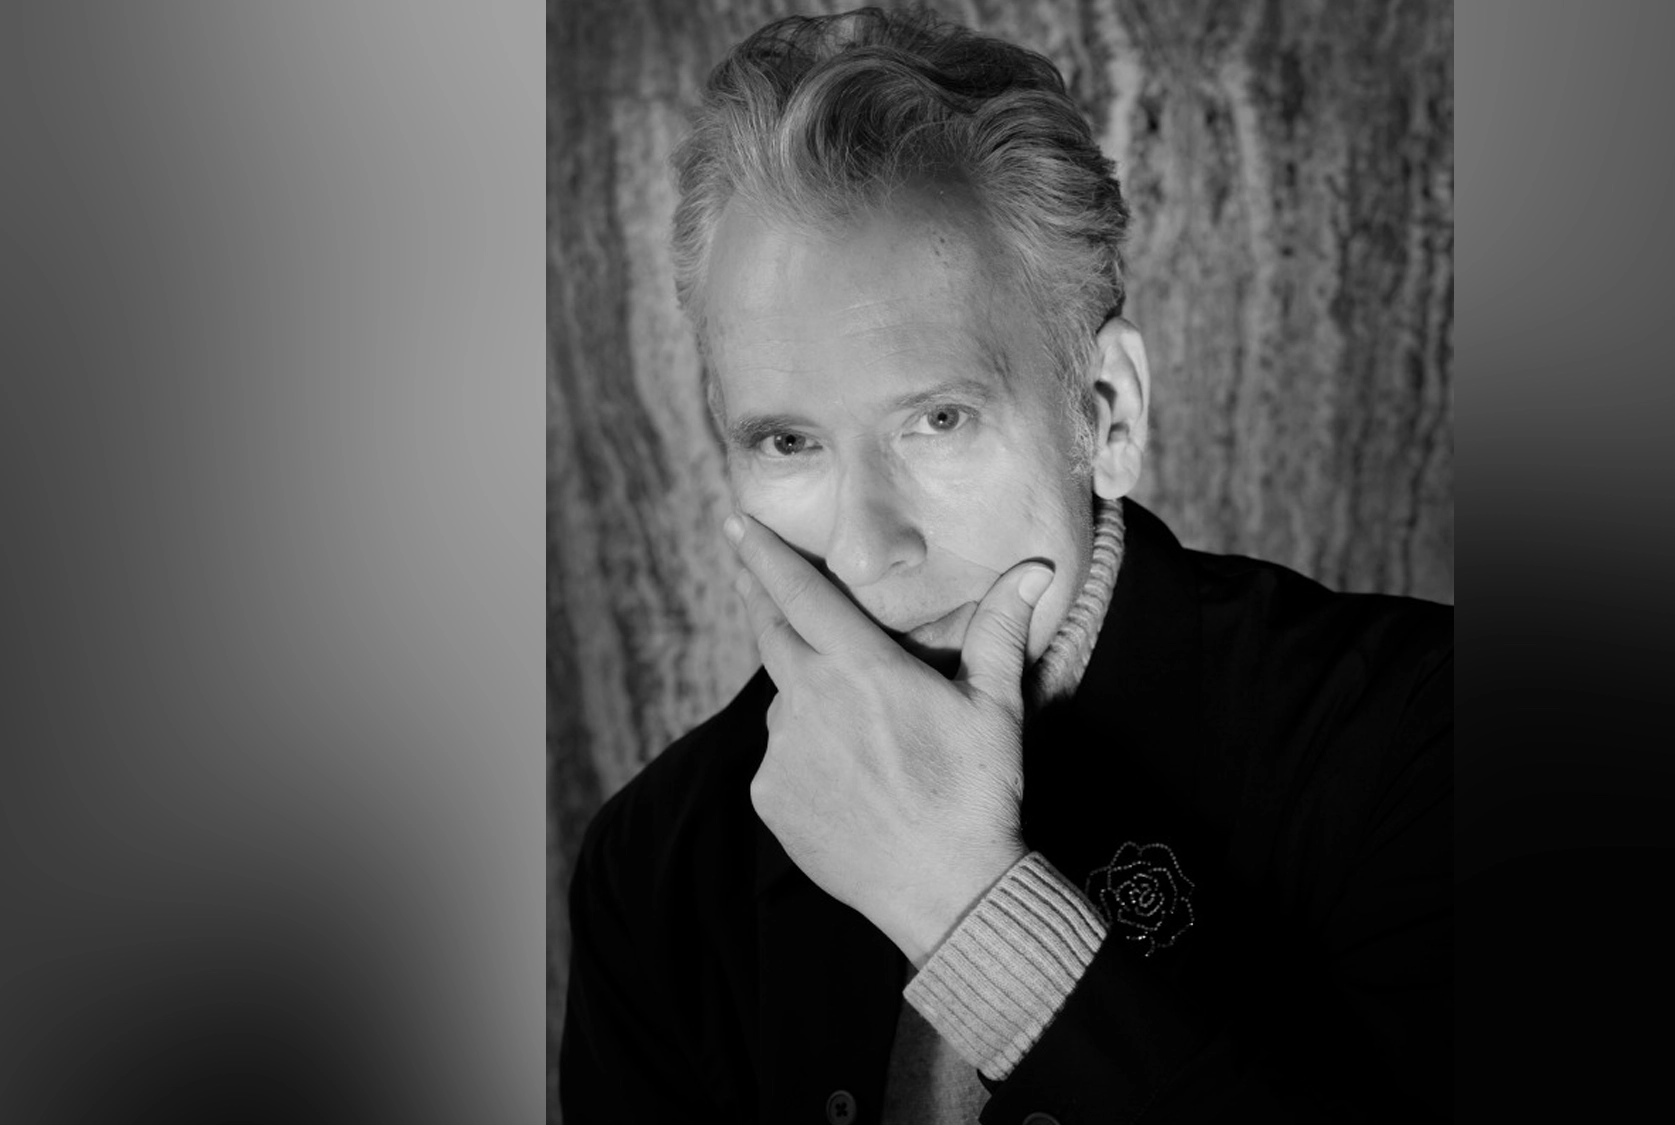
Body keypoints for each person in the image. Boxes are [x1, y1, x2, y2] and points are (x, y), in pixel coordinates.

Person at [559, 7, 1450, 1123]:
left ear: (1105, 412)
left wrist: (962, 904)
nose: (868, 547)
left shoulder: (1416, 735)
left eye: (938, 419)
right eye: (788, 442)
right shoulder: (656, 866)